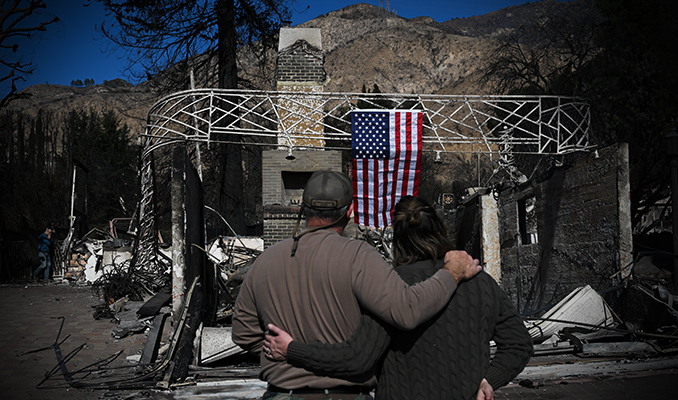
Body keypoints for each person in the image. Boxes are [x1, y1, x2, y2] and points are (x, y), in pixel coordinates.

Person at [232, 171, 482, 400]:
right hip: (344, 394)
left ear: (303, 209)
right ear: (349, 212)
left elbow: (243, 334)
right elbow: (408, 310)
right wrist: (452, 272)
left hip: (280, 394)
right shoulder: (358, 256)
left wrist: (285, 351)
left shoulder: (264, 262)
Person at [263, 196, 534, 400]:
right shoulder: (480, 282)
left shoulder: (392, 287)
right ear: (439, 229)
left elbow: (357, 359)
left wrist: (291, 349)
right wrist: (489, 379)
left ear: (398, 238)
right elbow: (519, 344)